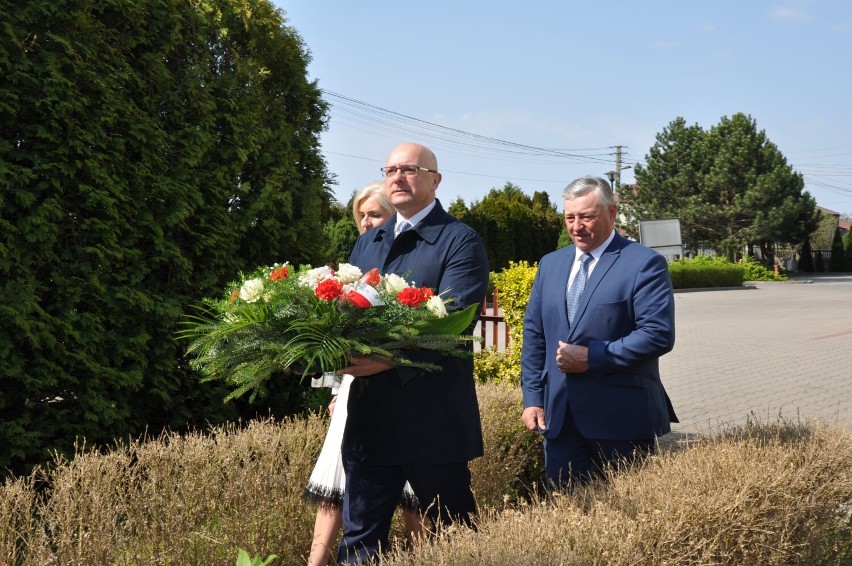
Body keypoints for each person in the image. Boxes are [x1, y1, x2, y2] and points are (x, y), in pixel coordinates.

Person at [335, 142, 490, 565]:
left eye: (410, 170)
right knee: (359, 541)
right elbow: (348, 313)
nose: (398, 178)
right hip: (371, 423)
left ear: (435, 180)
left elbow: (454, 322)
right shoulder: (370, 242)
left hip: (433, 423)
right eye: (391, 170)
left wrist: (384, 361)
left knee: (457, 538)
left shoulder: (460, 241)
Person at [520, 175, 678, 489]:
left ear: (611, 213)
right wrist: (533, 398)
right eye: (569, 217)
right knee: (566, 516)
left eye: (587, 216)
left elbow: (657, 333)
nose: (576, 226)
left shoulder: (644, 263)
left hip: (620, 419)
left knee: (627, 522)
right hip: (559, 418)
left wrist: (594, 356)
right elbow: (535, 333)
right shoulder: (550, 264)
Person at [304, 181, 421, 566]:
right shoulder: (355, 271)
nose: (367, 223)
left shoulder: (406, 272)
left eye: (376, 214)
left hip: (406, 399)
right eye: (362, 216)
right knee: (336, 488)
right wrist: (337, 387)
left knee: (412, 499)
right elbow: (340, 336)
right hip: (357, 391)